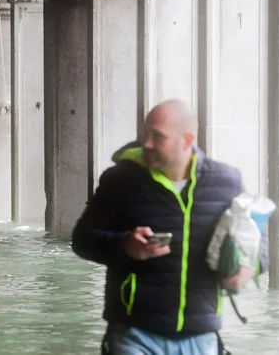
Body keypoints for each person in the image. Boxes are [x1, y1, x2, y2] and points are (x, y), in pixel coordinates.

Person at [71, 99, 244, 355]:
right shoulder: (119, 180)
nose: (147, 143)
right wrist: (126, 247)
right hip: (134, 334)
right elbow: (83, 241)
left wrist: (245, 272)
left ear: (187, 140)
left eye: (157, 136)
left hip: (202, 335)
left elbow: (254, 243)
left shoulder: (226, 181)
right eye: (145, 134)